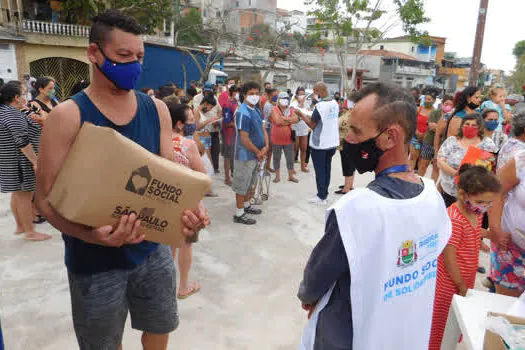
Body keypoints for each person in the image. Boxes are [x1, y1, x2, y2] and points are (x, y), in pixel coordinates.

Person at [34, 10, 209, 349]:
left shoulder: (155, 109)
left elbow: (167, 183)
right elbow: (44, 200)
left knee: (160, 327)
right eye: (123, 56)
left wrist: (190, 216)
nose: (134, 65)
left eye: (139, 57)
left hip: (152, 252)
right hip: (94, 263)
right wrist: (90, 235)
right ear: (93, 53)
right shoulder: (67, 117)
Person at [298, 83, 451, 350]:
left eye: (357, 131)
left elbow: (315, 281)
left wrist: (308, 295)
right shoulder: (433, 198)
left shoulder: (356, 209)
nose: (350, 140)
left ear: (390, 137)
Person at [429, 165, 501, 349]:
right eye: (481, 201)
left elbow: (473, 231)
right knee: (442, 323)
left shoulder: (473, 212)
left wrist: (484, 237)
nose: (484, 207)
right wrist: (460, 285)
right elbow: (449, 257)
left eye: (488, 203)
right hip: (448, 283)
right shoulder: (455, 219)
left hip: (464, 279)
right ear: (462, 194)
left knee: (454, 321)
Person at [0, 81, 50, 241]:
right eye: (23, 93)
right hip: (20, 162)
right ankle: (30, 231)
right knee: (24, 196)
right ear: (16, 97)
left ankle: (20, 226)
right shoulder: (12, 115)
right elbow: (22, 141)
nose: (26, 96)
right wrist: (35, 162)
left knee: (17, 194)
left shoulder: (7, 111)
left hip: (12, 161)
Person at [168, 102, 207, 299]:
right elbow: (202, 177)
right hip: (186, 203)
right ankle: (183, 286)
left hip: (164, 200)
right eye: (191, 120)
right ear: (180, 124)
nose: (194, 124)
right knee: (185, 244)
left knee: (168, 245)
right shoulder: (188, 145)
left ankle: (166, 286)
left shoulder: (159, 141)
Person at [489, 134, 525, 297]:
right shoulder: (521, 161)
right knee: (505, 311)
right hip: (512, 250)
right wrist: (496, 229)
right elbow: (497, 191)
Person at [437, 113, 497, 208]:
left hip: (474, 195)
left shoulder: (487, 144)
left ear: (480, 127)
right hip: (449, 192)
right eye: (467, 124)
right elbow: (440, 161)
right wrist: (456, 173)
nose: (470, 127)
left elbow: (492, 166)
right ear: (462, 126)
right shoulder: (451, 141)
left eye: (474, 125)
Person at [297, 82, 339, 205]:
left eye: (315, 92)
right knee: (327, 169)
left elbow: (312, 124)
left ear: (319, 92)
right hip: (331, 143)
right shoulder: (335, 103)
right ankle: (324, 194)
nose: (314, 95)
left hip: (320, 144)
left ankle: (321, 197)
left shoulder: (320, 106)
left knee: (320, 171)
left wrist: (301, 115)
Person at [232, 81, 267, 225]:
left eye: (257, 93)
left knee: (249, 183)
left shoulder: (256, 110)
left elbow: (263, 129)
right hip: (245, 155)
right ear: (244, 95)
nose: (254, 96)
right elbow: (244, 139)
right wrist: (258, 152)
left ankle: (246, 206)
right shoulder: (242, 112)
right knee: (241, 184)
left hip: (256, 154)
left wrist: (266, 147)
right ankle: (239, 213)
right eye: (251, 94)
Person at [419, 95, 454, 181]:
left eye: (450, 104)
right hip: (429, 142)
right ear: (442, 104)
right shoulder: (435, 113)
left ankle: (432, 186)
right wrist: (442, 128)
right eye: (446, 104)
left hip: (441, 145)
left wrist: (438, 127)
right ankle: (419, 183)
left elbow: (447, 129)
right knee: (423, 164)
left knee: (436, 167)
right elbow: (431, 127)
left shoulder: (452, 116)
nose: (448, 106)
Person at [270, 92, 299, 183]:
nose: (285, 100)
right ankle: (277, 176)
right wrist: (289, 120)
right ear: (278, 100)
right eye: (282, 98)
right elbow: (277, 121)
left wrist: (284, 118)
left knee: (290, 158)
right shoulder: (274, 109)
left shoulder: (291, 109)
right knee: (276, 157)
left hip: (288, 139)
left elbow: (296, 119)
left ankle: (290, 176)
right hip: (276, 138)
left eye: (286, 98)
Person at [194, 82, 222, 174]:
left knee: (209, 162)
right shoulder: (196, 111)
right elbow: (197, 127)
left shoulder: (212, 102)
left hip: (207, 138)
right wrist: (209, 120)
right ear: (206, 103)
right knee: (206, 163)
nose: (210, 109)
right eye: (210, 107)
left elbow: (219, 110)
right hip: (201, 139)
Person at [409, 87, 437, 172]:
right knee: (413, 157)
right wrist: (416, 131)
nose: (427, 101)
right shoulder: (419, 109)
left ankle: (419, 178)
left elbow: (435, 127)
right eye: (425, 99)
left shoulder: (435, 112)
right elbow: (412, 121)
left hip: (427, 139)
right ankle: (409, 175)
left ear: (434, 101)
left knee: (422, 160)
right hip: (415, 137)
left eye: (429, 99)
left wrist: (424, 135)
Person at [220, 84, 239, 186]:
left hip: (236, 134)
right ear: (233, 93)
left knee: (234, 155)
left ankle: (233, 174)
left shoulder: (236, 103)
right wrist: (237, 124)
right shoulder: (227, 104)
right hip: (229, 134)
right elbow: (227, 122)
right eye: (237, 92)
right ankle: (227, 178)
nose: (238, 94)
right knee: (227, 156)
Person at [335, 109, 355, 195]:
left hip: (346, 143)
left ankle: (346, 189)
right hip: (349, 143)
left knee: (347, 166)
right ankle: (349, 185)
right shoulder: (352, 114)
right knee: (351, 165)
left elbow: (340, 125)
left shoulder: (348, 116)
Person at [291, 87, 311, 173]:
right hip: (295, 128)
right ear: (296, 95)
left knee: (304, 148)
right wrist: (302, 110)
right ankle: (291, 168)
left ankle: (303, 166)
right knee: (295, 148)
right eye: (300, 94)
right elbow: (295, 114)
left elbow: (309, 115)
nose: (302, 96)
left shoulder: (307, 104)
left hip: (304, 128)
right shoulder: (293, 104)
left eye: (303, 94)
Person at [263, 88, 279, 173]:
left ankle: (268, 166)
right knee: (267, 149)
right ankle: (264, 168)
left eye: (276, 95)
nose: (276, 97)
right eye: (274, 96)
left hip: (272, 128)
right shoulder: (268, 105)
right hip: (268, 128)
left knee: (270, 149)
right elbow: (271, 118)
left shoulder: (274, 104)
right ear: (269, 96)